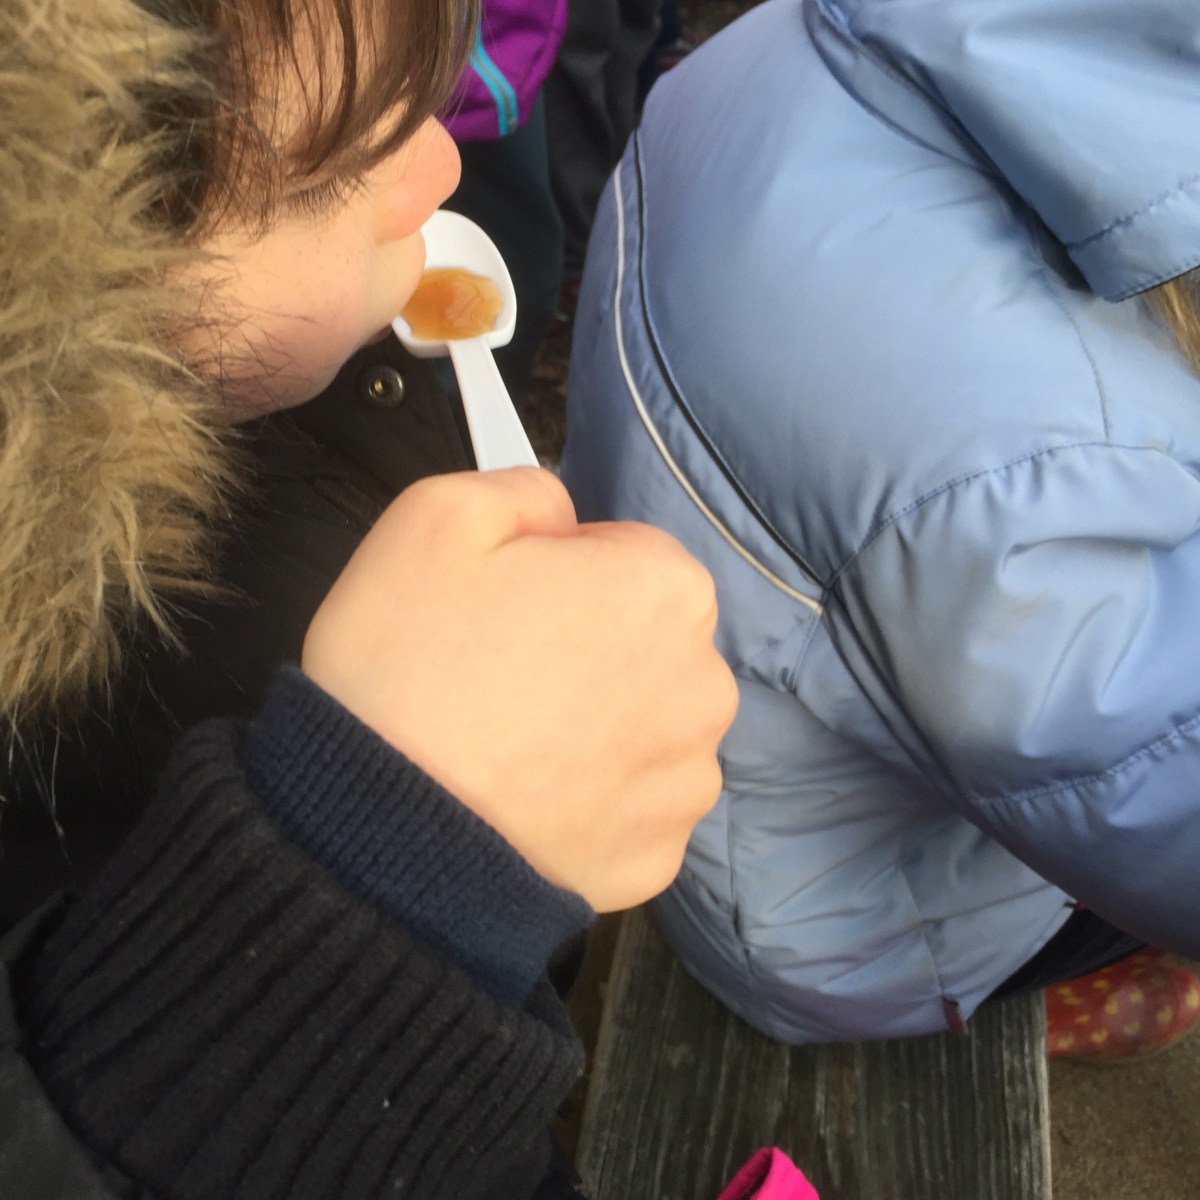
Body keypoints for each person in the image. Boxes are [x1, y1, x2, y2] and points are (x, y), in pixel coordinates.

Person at [0, 0, 738, 1196]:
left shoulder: (305, 381)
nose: (443, 167)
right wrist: (388, 895)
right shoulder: (90, 729)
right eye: (332, 168)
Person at [560, 0, 1200, 1059]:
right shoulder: (1034, 494)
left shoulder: (823, 29)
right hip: (823, 919)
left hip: (699, 735)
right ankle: (1042, 994)